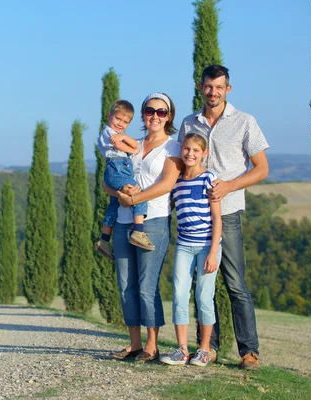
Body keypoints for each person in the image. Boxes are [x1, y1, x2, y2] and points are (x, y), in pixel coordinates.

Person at [177, 64, 269, 370]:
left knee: (234, 283)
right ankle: (209, 347)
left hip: (226, 214)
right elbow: (180, 165)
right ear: (200, 87)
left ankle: (249, 351)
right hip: (193, 221)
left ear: (227, 89)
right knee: (203, 285)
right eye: (208, 86)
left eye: (219, 87)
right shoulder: (190, 122)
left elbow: (261, 169)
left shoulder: (244, 121)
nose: (213, 92)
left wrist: (229, 185)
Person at [104, 93, 183, 363]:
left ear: (169, 116)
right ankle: (134, 344)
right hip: (124, 221)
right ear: (142, 114)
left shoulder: (173, 148)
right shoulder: (131, 144)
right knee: (126, 285)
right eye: (150, 110)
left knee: (147, 286)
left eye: (161, 112)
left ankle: (152, 346)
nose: (155, 116)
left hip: (155, 221)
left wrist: (134, 198)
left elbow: (166, 184)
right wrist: (120, 194)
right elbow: (107, 180)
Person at [160, 132, 221, 368]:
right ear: (181, 150)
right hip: (184, 246)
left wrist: (214, 251)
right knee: (179, 295)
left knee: (204, 297)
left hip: (207, 246)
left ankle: (204, 349)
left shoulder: (209, 179)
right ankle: (182, 350)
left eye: (196, 150)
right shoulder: (176, 183)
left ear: (204, 154)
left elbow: (217, 218)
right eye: (186, 149)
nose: (190, 154)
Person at [94, 100, 155, 261]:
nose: (120, 124)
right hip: (117, 169)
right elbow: (123, 147)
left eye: (125, 122)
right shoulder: (108, 132)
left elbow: (135, 144)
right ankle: (138, 231)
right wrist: (132, 149)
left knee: (114, 205)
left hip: (120, 169)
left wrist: (126, 139)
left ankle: (104, 240)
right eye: (118, 119)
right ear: (109, 116)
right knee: (139, 194)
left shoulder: (118, 134)